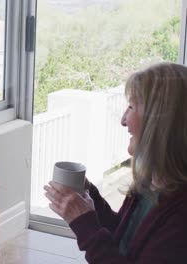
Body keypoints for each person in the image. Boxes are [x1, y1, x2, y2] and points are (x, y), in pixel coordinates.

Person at [44, 62, 187, 263]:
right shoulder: (149, 185)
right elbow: (124, 237)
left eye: (131, 106)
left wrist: (85, 225)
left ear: (160, 122)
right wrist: (88, 195)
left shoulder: (180, 217)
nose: (123, 119)